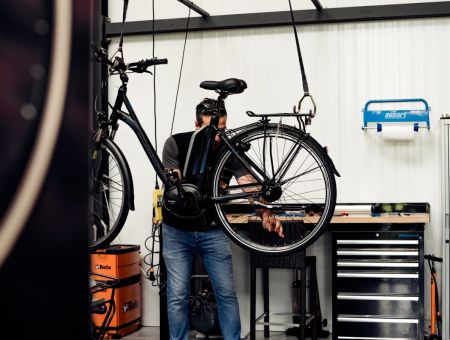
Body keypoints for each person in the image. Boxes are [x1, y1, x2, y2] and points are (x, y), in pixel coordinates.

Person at [161, 98, 283, 340]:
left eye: (223, 130)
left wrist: (266, 213)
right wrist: (180, 182)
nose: (218, 136)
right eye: (212, 130)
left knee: (226, 294)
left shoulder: (229, 150)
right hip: (177, 231)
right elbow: (174, 184)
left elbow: (249, 186)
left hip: (213, 231)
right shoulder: (176, 143)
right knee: (177, 295)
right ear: (197, 125)